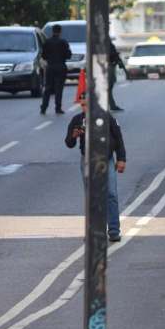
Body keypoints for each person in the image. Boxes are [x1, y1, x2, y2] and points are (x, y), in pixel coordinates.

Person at [65, 92, 127, 242]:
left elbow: (118, 138)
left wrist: (121, 159)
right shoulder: (78, 120)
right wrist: (74, 135)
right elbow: (69, 143)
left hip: (106, 160)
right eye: (82, 105)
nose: (84, 107)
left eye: (87, 104)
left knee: (111, 194)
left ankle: (113, 230)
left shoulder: (107, 117)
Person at [41, 24, 71, 115]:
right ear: (60, 31)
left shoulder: (47, 42)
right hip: (61, 67)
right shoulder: (63, 42)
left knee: (48, 88)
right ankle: (58, 108)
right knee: (59, 88)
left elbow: (43, 55)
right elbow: (68, 55)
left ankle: (44, 107)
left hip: (50, 67)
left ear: (52, 31)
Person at [109, 38, 126, 111]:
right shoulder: (105, 43)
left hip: (108, 65)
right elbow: (112, 54)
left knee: (108, 88)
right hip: (107, 66)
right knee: (108, 87)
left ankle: (112, 105)